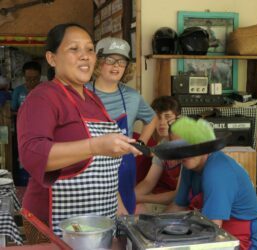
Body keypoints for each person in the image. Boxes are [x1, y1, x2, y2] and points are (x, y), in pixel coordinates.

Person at [17, 23, 142, 239]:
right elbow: (32, 154)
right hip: (53, 223)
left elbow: (105, 168)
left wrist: (118, 204)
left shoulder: (93, 99)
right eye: (74, 49)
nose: (85, 56)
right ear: (51, 58)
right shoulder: (43, 97)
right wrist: (95, 146)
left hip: (99, 219)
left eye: (90, 49)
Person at [166, 123, 257, 250]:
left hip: (241, 241)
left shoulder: (217, 172)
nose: (183, 152)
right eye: (177, 147)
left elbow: (212, 232)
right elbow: (178, 206)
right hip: (212, 231)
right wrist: (148, 228)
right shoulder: (189, 165)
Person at [87, 37, 157, 214]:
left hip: (124, 166)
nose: (116, 66)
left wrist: (140, 143)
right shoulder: (82, 92)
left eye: (121, 61)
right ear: (98, 63)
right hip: (91, 166)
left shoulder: (133, 96)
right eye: (109, 60)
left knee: (123, 218)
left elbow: (152, 119)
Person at [135, 96, 181, 213]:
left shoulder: (186, 144)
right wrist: (129, 197)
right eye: (158, 118)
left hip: (191, 201)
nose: (162, 123)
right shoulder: (162, 145)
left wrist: (139, 198)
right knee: (135, 207)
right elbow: (149, 182)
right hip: (172, 199)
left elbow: (180, 195)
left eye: (167, 117)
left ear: (179, 118)